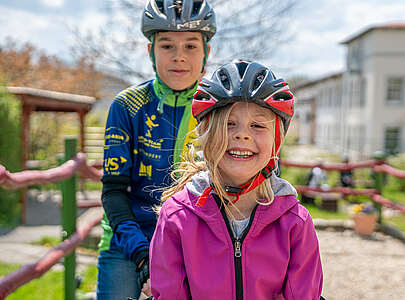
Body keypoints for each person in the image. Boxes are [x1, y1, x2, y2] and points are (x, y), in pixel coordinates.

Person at [149, 61, 323, 299]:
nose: (242, 134)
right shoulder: (177, 218)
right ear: (205, 134)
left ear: (277, 139)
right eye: (229, 123)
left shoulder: (294, 223)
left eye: (258, 125)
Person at [96, 0, 216, 299]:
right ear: (151, 51)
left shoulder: (218, 110)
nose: (179, 57)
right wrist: (142, 255)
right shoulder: (127, 105)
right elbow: (113, 190)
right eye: (166, 46)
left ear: (206, 53)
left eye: (190, 46)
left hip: (190, 245)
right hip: (127, 243)